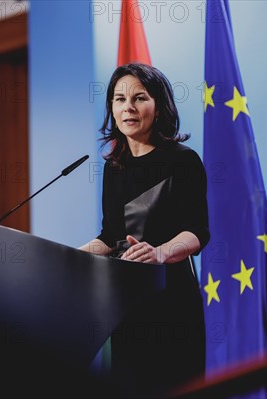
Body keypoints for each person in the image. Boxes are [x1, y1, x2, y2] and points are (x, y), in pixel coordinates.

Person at [79, 63, 209, 396]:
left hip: (172, 303)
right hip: (126, 305)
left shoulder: (183, 161)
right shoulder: (113, 166)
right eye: (119, 99)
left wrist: (161, 251)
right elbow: (111, 235)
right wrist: (69, 257)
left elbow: (197, 231)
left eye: (139, 98)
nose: (128, 108)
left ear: (159, 105)